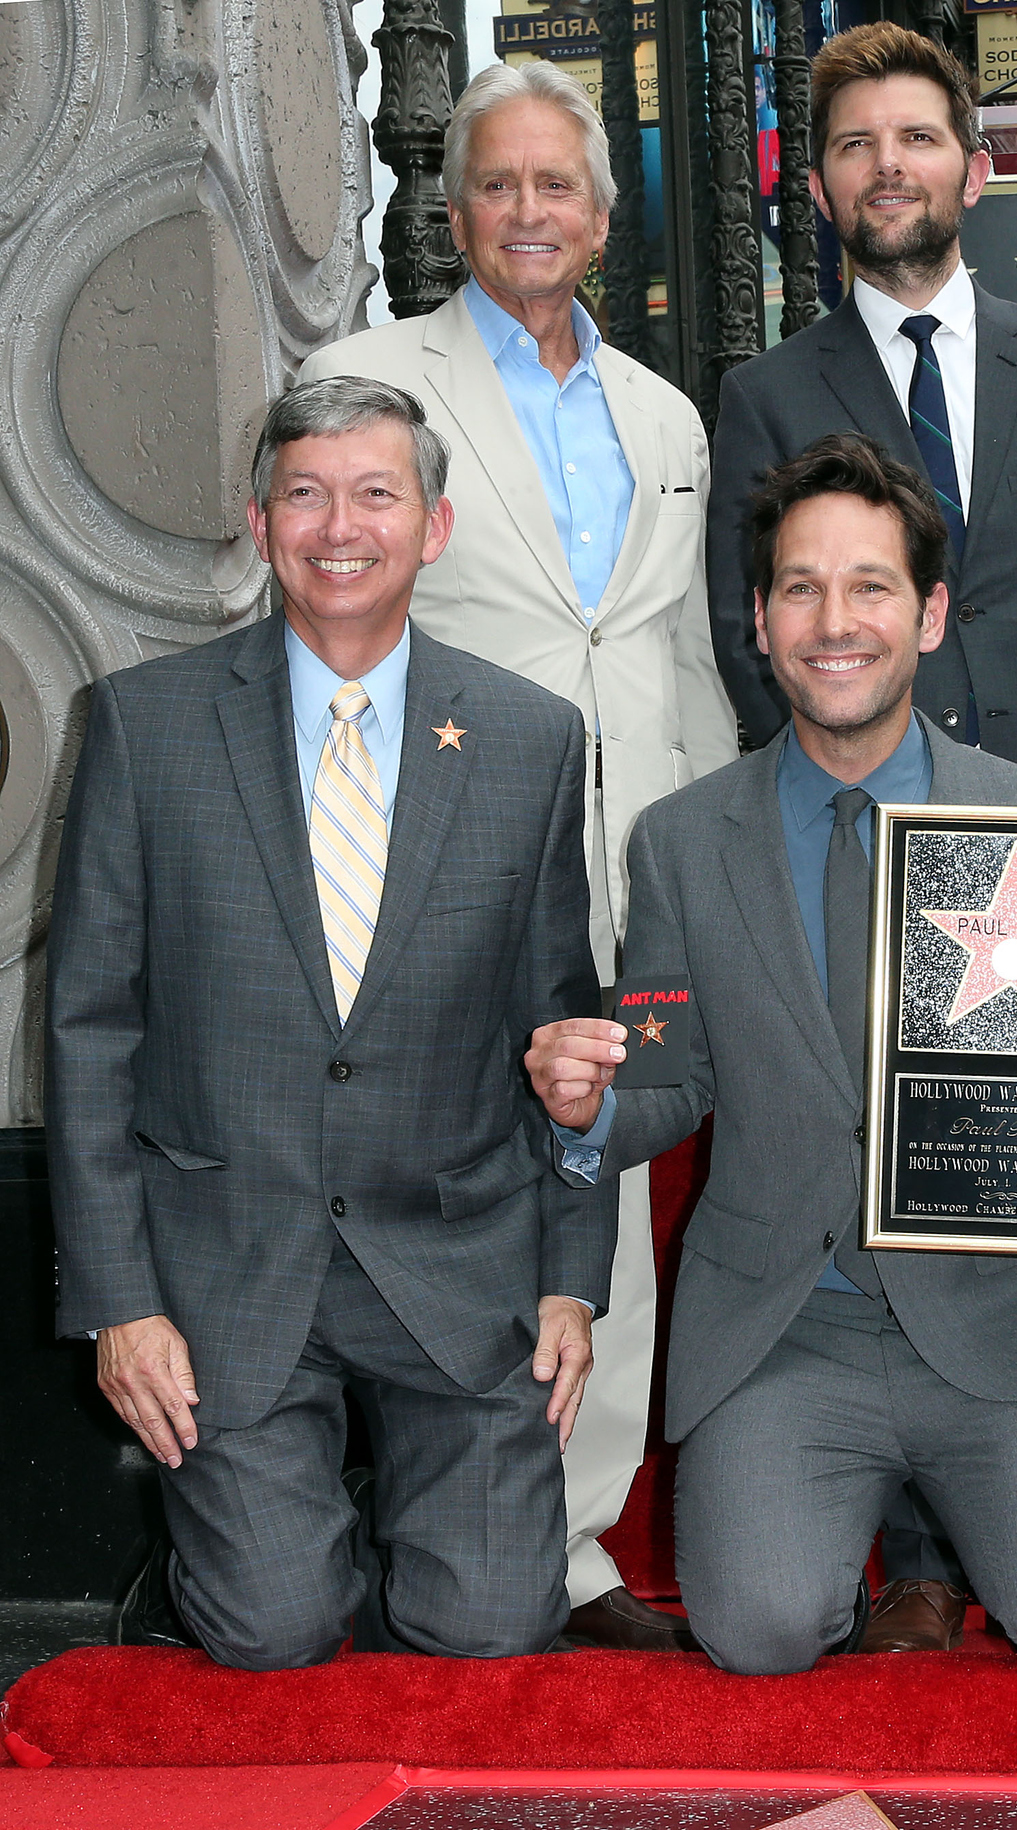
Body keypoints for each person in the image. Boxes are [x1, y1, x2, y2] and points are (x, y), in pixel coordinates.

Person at [527, 434, 1017, 1677]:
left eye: (871, 585)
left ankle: (940, 1548)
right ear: (761, 621)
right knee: (760, 1628)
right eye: (800, 588)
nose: (837, 620)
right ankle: (823, 1550)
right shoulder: (679, 842)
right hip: (788, 1326)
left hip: (1002, 1329)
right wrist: (584, 1106)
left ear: (929, 615)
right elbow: (665, 1077)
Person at [45, 380, 619, 1669]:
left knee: (489, 1627)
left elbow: (564, 1030)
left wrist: (571, 1274)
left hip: (457, 1263)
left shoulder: (529, 739)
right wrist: (119, 1302)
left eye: (375, 492)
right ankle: (268, 1543)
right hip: (227, 1266)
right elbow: (88, 1030)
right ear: (259, 525)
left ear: (435, 523)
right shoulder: (145, 727)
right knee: (272, 1628)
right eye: (304, 492)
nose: (337, 524)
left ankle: (404, 1527)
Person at [300, 61, 739, 1652]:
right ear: (454, 206)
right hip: (432, 866)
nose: (531, 210)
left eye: (561, 185)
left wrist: (707, 870)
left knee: (599, 1180)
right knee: (436, 1178)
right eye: (501, 183)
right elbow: (319, 615)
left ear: (602, 221)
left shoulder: (666, 417)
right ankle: (423, 1515)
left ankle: (578, 1545)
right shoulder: (364, 375)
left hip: (632, 876)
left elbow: (677, 652)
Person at [707, 22, 1017, 808]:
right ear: (820, 190)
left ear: (974, 173)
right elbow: (747, 632)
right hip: (863, 822)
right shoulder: (764, 396)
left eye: (917, 136)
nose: (887, 162)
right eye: (856, 144)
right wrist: (851, 799)